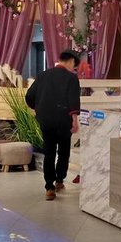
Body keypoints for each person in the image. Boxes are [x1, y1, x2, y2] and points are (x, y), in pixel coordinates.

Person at [25, 49, 81, 201]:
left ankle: (49, 187)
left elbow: (29, 96)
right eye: (74, 66)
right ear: (71, 61)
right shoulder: (71, 78)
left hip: (46, 119)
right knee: (63, 151)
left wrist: (37, 108)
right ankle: (59, 180)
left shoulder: (43, 75)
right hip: (64, 120)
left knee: (49, 152)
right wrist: (75, 120)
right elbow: (73, 101)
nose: (73, 69)